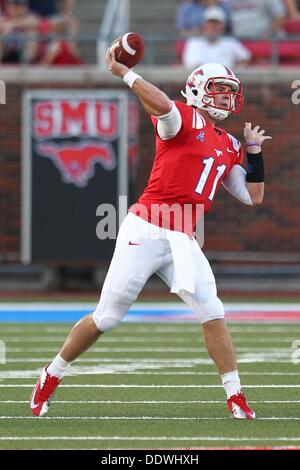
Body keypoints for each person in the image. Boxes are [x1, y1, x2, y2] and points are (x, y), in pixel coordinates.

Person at [30, 51, 271, 419]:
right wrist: (125, 72)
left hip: (183, 239)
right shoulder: (182, 118)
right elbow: (161, 104)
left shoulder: (230, 144)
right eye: (218, 89)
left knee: (212, 311)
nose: (225, 96)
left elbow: (253, 197)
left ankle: (235, 396)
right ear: (196, 90)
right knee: (107, 318)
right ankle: (51, 373)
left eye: (229, 91)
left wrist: (254, 152)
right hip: (145, 228)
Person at [182, 6, 251, 68]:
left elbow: (245, 58)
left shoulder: (231, 42)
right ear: (204, 26)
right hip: (202, 80)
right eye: (210, 24)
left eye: (216, 24)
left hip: (226, 80)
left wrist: (234, 72)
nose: (213, 27)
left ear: (223, 27)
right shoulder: (193, 42)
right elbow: (192, 65)